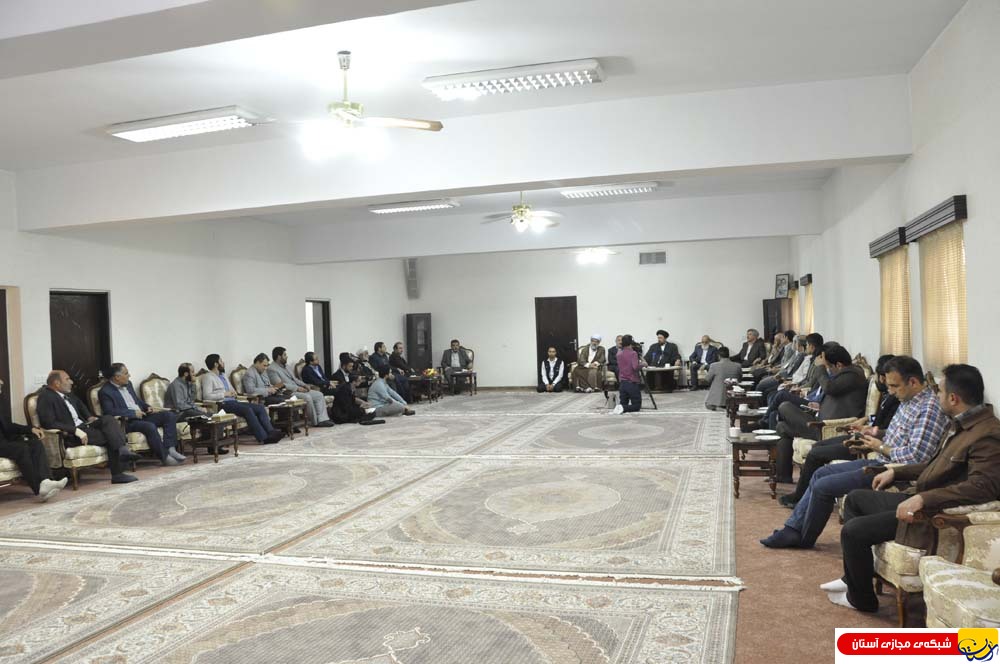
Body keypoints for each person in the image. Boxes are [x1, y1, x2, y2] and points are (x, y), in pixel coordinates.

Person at [828, 363, 1000, 613]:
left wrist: (924, 499)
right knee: (855, 499)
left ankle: (861, 600)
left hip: (934, 512)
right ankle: (854, 580)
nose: (937, 396)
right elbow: (934, 465)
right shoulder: (960, 424)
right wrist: (895, 472)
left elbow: (982, 487)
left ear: (953, 398)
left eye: (940, 392)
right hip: (921, 497)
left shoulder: (987, 434)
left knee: (853, 531)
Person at [760, 356, 947, 549]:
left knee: (824, 486)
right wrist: (875, 435)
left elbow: (915, 458)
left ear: (913, 382)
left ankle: (802, 538)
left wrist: (879, 447)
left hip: (892, 470)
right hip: (880, 460)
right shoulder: (908, 400)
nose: (890, 391)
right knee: (820, 473)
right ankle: (793, 529)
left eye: (894, 386)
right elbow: (900, 435)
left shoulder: (928, 410)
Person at [780, 355, 899, 507]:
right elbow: (881, 418)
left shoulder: (896, 398)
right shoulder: (890, 396)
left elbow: (887, 428)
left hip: (866, 444)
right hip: (862, 435)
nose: (879, 381)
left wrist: (872, 431)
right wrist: (866, 420)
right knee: (817, 446)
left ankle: (800, 497)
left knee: (815, 454)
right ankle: (803, 495)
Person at [772, 343, 869, 483]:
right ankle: (783, 476)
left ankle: (783, 473)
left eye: (829, 367)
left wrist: (820, 368)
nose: (828, 370)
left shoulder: (853, 375)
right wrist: (819, 406)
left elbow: (829, 388)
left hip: (829, 429)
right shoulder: (848, 373)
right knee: (782, 427)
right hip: (820, 420)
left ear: (839, 365)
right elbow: (836, 395)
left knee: (784, 406)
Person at [37, 370, 137, 484]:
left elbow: (80, 405)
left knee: (108, 419)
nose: (71, 382)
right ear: (57, 383)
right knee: (111, 436)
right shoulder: (46, 397)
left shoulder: (67, 394)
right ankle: (118, 473)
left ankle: (122, 450)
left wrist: (89, 417)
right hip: (71, 434)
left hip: (84, 426)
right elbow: (49, 423)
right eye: (67, 379)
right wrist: (75, 430)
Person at [99, 363, 184, 466]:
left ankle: (171, 448)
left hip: (143, 415)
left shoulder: (128, 384)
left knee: (169, 415)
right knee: (149, 426)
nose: (129, 375)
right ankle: (164, 457)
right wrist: (132, 413)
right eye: (126, 373)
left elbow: (136, 401)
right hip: (128, 422)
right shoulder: (105, 392)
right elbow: (109, 412)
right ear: (117, 377)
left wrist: (147, 407)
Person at [0, 378, 66, 501]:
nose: (2, 382)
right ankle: (39, 488)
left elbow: (8, 426)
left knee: (36, 444)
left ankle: (46, 480)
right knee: (21, 449)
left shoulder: (1, 400)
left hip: (5, 441)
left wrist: (31, 429)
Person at [201, 354, 284, 444]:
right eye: (221, 361)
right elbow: (207, 396)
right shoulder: (208, 377)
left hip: (233, 401)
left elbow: (231, 389)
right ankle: (263, 438)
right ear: (216, 364)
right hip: (222, 404)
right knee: (247, 410)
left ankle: (271, 432)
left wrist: (234, 393)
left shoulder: (223, 375)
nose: (223, 362)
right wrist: (224, 394)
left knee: (259, 407)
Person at [266, 347, 335, 428]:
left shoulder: (286, 366)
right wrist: (297, 388)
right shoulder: (272, 369)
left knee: (318, 395)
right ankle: (315, 422)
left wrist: (304, 385)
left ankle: (322, 419)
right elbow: (280, 385)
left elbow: (295, 379)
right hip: (288, 392)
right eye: (285, 355)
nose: (287, 356)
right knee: (307, 397)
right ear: (279, 357)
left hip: (298, 389)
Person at [757, 335, 808, 401]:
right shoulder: (796, 354)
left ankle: (759, 404)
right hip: (781, 375)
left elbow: (792, 372)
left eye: (795, 342)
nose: (793, 344)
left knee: (763, 387)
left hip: (785, 378)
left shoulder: (802, 356)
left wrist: (781, 376)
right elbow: (786, 365)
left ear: (800, 345)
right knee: (761, 383)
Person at [704, 346, 742, 410]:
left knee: (708, 402)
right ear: (728, 355)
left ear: (719, 356)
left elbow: (707, 379)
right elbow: (740, 379)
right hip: (733, 397)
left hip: (718, 400)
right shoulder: (738, 366)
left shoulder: (714, 365)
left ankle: (717, 404)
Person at [612, 335, 642, 414]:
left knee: (623, 402)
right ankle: (623, 407)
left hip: (622, 383)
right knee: (637, 405)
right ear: (631, 343)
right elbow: (635, 367)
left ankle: (621, 407)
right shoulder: (633, 353)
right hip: (631, 382)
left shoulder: (618, 354)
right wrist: (643, 364)